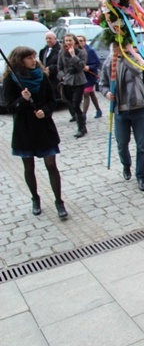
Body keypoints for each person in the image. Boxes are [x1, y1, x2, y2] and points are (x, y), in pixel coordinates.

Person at [3, 46, 68, 218]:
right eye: (29, 58)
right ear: (20, 60)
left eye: (34, 57)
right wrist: (22, 100)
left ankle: (59, 201)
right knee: (29, 167)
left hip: (44, 127)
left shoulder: (42, 77)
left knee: (51, 165)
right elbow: (9, 107)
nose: (34, 60)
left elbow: (52, 101)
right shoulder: (11, 80)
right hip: (25, 129)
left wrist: (45, 111)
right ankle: (35, 198)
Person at [100, 46, 144, 191]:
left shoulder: (134, 57)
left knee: (142, 145)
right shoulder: (109, 62)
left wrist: (124, 57)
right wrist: (107, 93)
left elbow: (137, 71)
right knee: (122, 143)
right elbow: (102, 84)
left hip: (138, 106)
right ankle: (126, 164)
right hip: (119, 110)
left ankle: (141, 176)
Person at [57, 33, 88, 138]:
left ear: (75, 41)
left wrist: (73, 56)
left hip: (78, 80)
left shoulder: (81, 52)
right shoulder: (61, 52)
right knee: (69, 103)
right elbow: (59, 67)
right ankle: (81, 120)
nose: (68, 42)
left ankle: (81, 128)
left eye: (70, 40)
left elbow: (81, 66)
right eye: (66, 40)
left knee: (76, 104)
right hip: (67, 81)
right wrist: (62, 76)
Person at [77, 35, 102, 119]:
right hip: (81, 76)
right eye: (78, 41)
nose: (79, 42)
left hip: (89, 76)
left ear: (85, 41)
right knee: (91, 93)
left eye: (81, 40)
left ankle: (83, 114)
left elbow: (97, 63)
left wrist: (89, 67)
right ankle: (98, 109)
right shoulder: (76, 51)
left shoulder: (90, 50)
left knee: (86, 93)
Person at [38, 32, 61, 97]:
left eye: (50, 38)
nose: (48, 40)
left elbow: (63, 64)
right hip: (47, 77)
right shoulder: (44, 50)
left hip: (57, 77)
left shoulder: (60, 50)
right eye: (47, 38)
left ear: (55, 39)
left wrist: (51, 68)